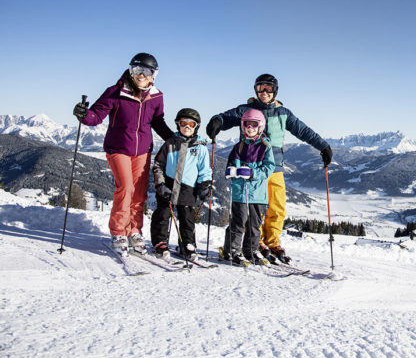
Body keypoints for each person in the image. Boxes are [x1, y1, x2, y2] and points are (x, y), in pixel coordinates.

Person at [206, 74, 332, 263]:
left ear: (275, 91)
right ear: (255, 90)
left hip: (274, 166)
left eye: (268, 88)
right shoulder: (246, 110)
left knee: (276, 206)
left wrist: (322, 146)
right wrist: (217, 121)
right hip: (249, 166)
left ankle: (272, 242)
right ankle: (253, 242)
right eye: (260, 88)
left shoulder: (283, 113)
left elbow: (303, 131)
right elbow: (225, 118)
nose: (264, 92)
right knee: (252, 207)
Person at [73, 53, 173, 256]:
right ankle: (119, 231)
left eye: (147, 71)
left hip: (143, 151)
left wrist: (173, 138)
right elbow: (96, 116)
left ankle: (134, 230)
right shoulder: (116, 92)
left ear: (154, 75)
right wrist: (84, 115)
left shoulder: (156, 96)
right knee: (126, 188)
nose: (142, 75)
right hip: (118, 148)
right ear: (130, 70)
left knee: (139, 193)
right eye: (138, 70)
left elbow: (157, 121)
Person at [150, 108, 212, 261]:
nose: (187, 127)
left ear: (196, 127)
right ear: (178, 124)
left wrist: (204, 186)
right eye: (183, 123)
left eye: (191, 124)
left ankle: (188, 244)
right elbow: (158, 164)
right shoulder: (170, 144)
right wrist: (160, 184)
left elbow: (205, 170)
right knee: (163, 214)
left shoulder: (200, 148)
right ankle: (160, 242)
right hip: (168, 185)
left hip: (188, 188)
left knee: (187, 217)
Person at [219, 109, 275, 266]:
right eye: (247, 125)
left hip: (258, 193)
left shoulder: (265, 147)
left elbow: (269, 168)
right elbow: (230, 165)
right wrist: (231, 172)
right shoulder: (238, 147)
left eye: (254, 125)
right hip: (240, 193)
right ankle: (232, 250)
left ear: (260, 126)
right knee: (238, 222)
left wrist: (252, 173)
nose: (250, 128)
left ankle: (250, 250)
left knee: (254, 224)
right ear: (243, 127)